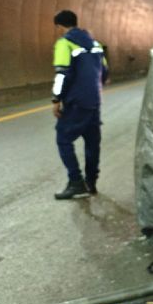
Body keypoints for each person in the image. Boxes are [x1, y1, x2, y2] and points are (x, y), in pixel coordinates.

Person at [51, 10, 108, 199]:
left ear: (60, 26)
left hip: (76, 102)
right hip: (94, 101)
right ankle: (91, 182)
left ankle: (76, 182)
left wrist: (56, 99)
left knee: (63, 138)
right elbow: (105, 71)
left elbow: (62, 73)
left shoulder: (64, 43)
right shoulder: (95, 43)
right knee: (92, 142)